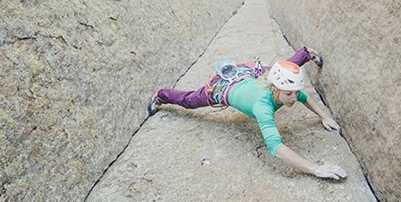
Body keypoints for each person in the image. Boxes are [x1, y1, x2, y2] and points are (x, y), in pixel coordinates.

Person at [148, 47, 347, 181]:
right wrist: (315, 168)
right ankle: (161, 96)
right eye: (289, 94)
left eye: (295, 92)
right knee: (190, 101)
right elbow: (276, 148)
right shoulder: (263, 106)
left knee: (282, 72)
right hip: (224, 86)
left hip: (250, 74)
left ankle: (306, 53)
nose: (294, 98)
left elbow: (303, 96)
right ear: (275, 89)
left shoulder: (280, 87)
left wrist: (323, 116)